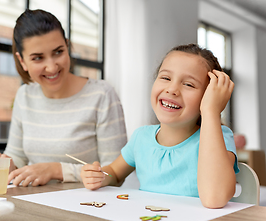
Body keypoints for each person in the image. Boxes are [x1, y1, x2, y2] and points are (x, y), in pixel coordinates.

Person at [81, 43, 239, 209]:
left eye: (189, 84)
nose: (172, 89)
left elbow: (214, 199)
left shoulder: (219, 137)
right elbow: (115, 172)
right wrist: (101, 176)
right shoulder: (141, 137)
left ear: (209, 96)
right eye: (165, 78)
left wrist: (210, 111)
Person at [0, 9, 127, 187]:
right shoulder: (24, 96)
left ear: (67, 47)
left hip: (86, 206)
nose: (51, 67)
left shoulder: (101, 95)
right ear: (22, 61)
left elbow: (115, 173)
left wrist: (56, 170)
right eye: (38, 58)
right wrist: (6, 165)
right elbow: (19, 161)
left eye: (58, 52)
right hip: (36, 203)